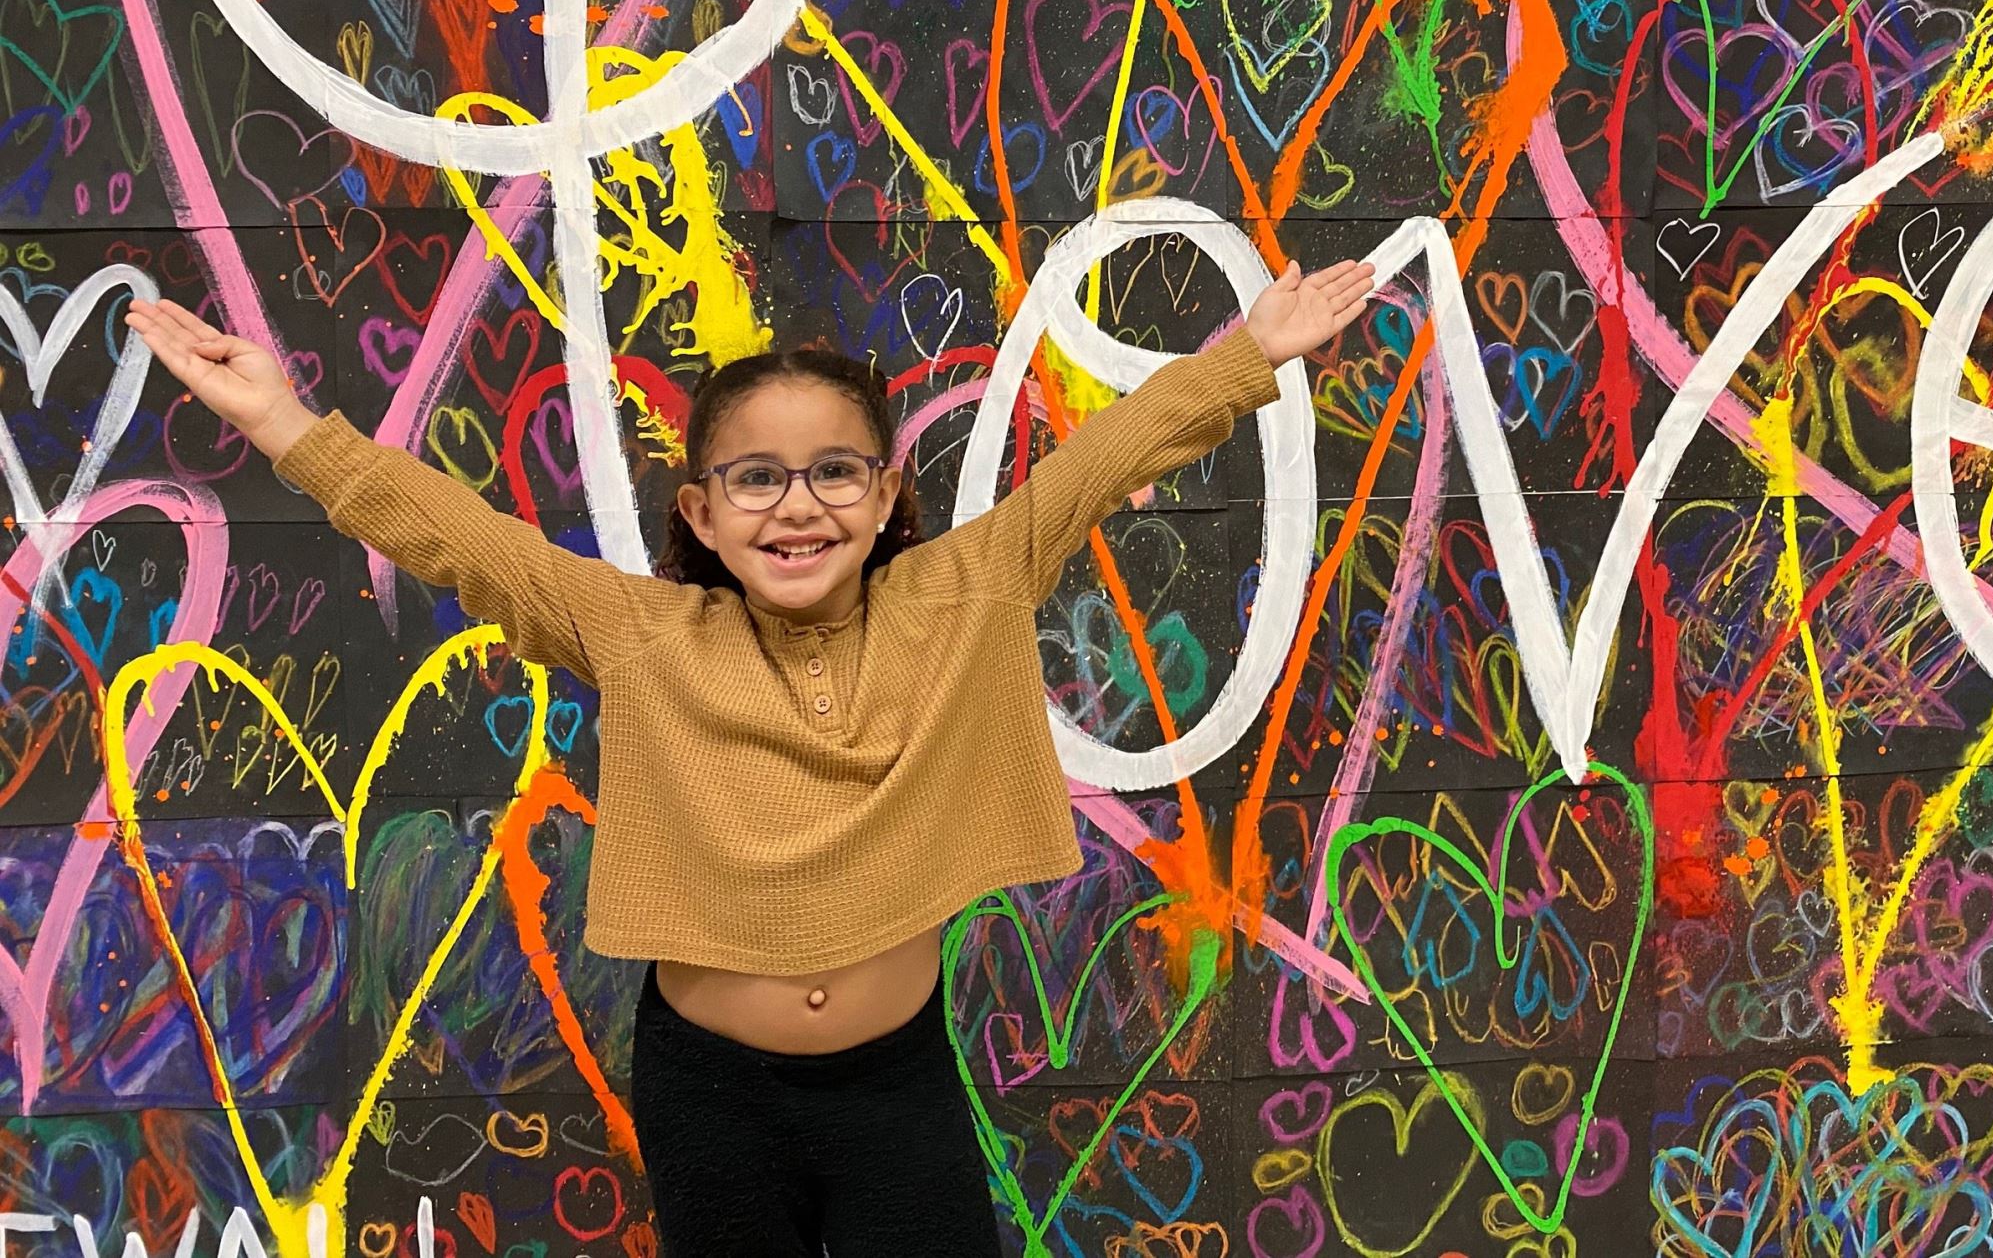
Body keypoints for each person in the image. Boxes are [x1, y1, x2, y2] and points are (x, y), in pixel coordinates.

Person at [123, 257, 1376, 1257]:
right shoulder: (641, 632)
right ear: (702, 513)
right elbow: (459, 539)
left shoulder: (966, 588)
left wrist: (1250, 351)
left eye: (835, 472)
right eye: (756, 478)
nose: (798, 504)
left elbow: (1109, 457)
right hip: (709, 1090)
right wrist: (283, 420)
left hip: (897, 1082)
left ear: (884, 497)